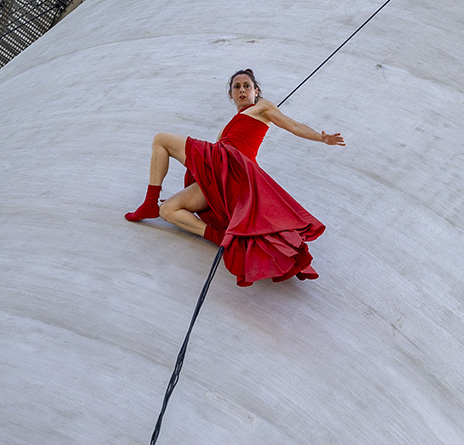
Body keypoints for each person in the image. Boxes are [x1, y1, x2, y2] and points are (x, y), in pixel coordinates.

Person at [124, 69, 345, 286]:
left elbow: (293, 125)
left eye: (247, 86)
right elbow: (217, 152)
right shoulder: (227, 126)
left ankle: (150, 200)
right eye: (236, 87)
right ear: (230, 94)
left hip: (233, 165)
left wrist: (321, 138)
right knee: (168, 210)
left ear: (256, 91)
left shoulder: (262, 107)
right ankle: (219, 237)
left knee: (161, 139)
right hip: (222, 173)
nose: (242, 90)